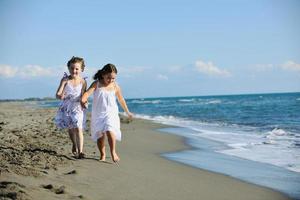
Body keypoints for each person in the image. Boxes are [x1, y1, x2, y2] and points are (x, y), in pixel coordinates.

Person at [81, 63, 133, 163]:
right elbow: (87, 93)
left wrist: (128, 112)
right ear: (103, 74)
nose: (111, 80)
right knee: (100, 136)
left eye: (113, 78)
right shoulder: (97, 84)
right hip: (98, 114)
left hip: (111, 113)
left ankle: (113, 152)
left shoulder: (115, 86)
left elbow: (121, 100)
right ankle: (102, 154)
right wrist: (83, 99)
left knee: (110, 130)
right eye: (109, 78)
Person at [55, 56, 87, 159]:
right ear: (69, 68)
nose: (74, 70)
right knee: (71, 129)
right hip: (67, 107)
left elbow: (84, 95)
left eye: (77, 68)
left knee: (78, 127)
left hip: (78, 107)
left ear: (81, 69)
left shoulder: (83, 82)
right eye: (72, 68)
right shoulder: (65, 80)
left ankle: (80, 152)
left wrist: (84, 102)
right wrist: (60, 95)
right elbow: (58, 93)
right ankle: (74, 143)